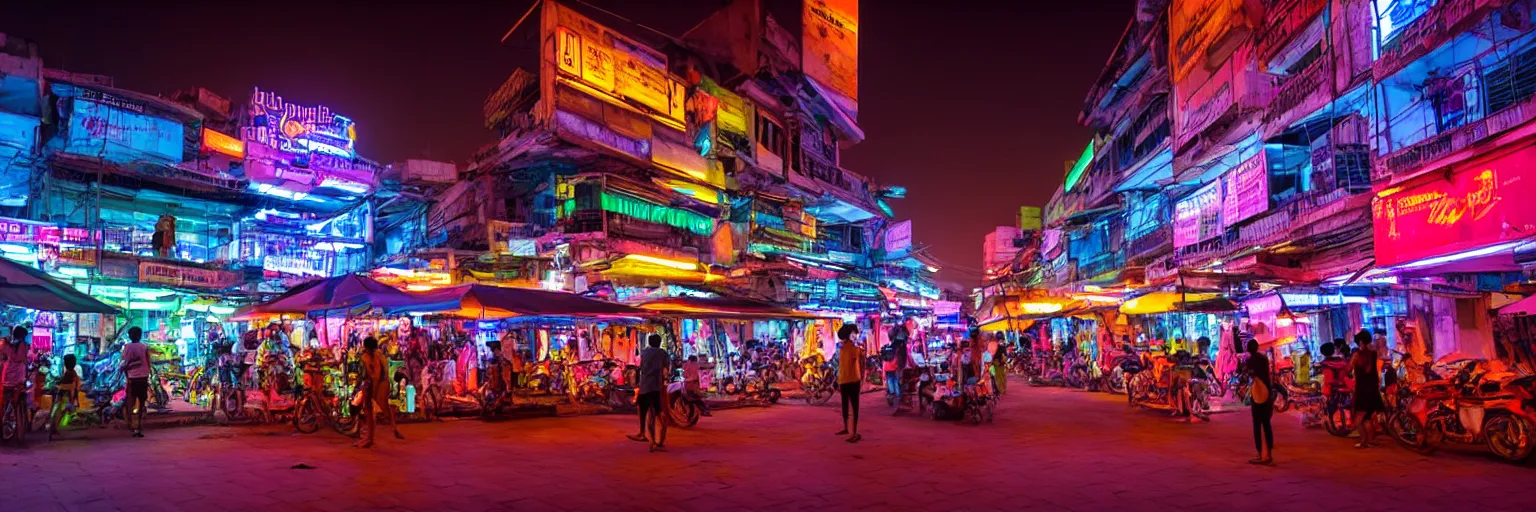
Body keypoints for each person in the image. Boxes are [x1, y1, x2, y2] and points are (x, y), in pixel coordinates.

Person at [356, 336, 403, 448]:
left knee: (368, 410)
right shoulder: (380, 355)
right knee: (384, 407)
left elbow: (374, 375)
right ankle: (393, 427)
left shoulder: (369, 357)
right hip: (383, 384)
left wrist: (372, 390)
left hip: (373, 385)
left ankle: (369, 438)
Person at [628, 334, 668, 451]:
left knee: (643, 411)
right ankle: (659, 440)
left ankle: (643, 433)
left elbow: (641, 368)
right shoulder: (663, 353)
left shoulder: (645, 352)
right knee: (658, 412)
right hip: (656, 386)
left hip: (645, 386)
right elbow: (666, 369)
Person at [1350, 329, 1384, 448]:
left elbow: (1349, 370)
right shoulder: (1373, 354)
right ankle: (1371, 440)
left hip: (1362, 390)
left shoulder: (1357, 355)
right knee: (1368, 416)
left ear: (1360, 341)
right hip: (1373, 390)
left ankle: (1364, 441)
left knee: (1359, 417)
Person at [121, 326, 153, 438]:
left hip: (132, 378)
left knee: (130, 402)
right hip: (143, 378)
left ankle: (131, 424)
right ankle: (138, 425)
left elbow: (124, 362)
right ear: (140, 335)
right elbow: (149, 362)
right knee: (142, 403)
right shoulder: (144, 347)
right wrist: (148, 374)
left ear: (130, 336)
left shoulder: (127, 347)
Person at [0, 326, 30, 440]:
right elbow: (20, 358)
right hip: (17, 379)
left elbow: (4, 356)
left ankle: (7, 424)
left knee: (6, 404)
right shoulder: (21, 345)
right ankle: (17, 428)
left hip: (7, 377)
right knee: (17, 404)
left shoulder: (7, 344)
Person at [835, 324, 864, 443]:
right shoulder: (854, 349)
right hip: (853, 380)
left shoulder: (842, 349)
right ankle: (854, 432)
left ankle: (847, 428)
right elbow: (860, 363)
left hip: (843, 380)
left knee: (845, 405)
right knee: (854, 407)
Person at [1246, 340, 1274, 464]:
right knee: (1267, 424)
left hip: (1257, 392)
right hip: (1267, 391)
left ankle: (1261, 453)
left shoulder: (1250, 361)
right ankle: (1268, 453)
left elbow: (1249, 376)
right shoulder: (1264, 359)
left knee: (1257, 424)